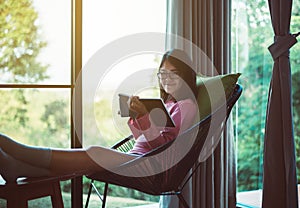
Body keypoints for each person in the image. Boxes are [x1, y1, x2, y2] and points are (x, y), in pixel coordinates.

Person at [0, 49, 199, 183]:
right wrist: (138, 117)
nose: (167, 79)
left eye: (174, 73)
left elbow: (164, 148)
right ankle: (18, 167)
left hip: (151, 165)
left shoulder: (187, 106)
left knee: (95, 153)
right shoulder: (169, 104)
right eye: (162, 74)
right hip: (138, 158)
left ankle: (23, 153)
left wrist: (146, 118)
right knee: (88, 163)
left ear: (186, 75)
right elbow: (145, 140)